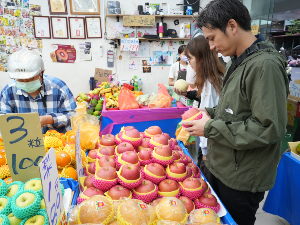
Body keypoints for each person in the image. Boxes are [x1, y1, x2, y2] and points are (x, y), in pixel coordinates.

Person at [182, 0, 289, 224]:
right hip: (223, 167)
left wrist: (210, 127)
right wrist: (209, 112)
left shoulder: (264, 65)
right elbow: (233, 109)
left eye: (212, 38)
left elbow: (268, 128)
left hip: (241, 177)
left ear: (232, 26)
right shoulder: (238, 60)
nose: (210, 46)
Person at [174, 36, 225, 179]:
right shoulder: (213, 78)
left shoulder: (212, 83)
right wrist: (187, 93)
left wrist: (205, 153)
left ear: (201, 58)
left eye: (190, 59)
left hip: (211, 150)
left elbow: (208, 120)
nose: (189, 64)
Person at [0, 50, 76, 134]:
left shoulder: (58, 88)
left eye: (31, 79)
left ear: (42, 72)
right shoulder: (8, 92)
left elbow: (72, 116)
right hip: (23, 142)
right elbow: (3, 121)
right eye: (21, 80)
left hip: (57, 143)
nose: (26, 82)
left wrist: (48, 119)